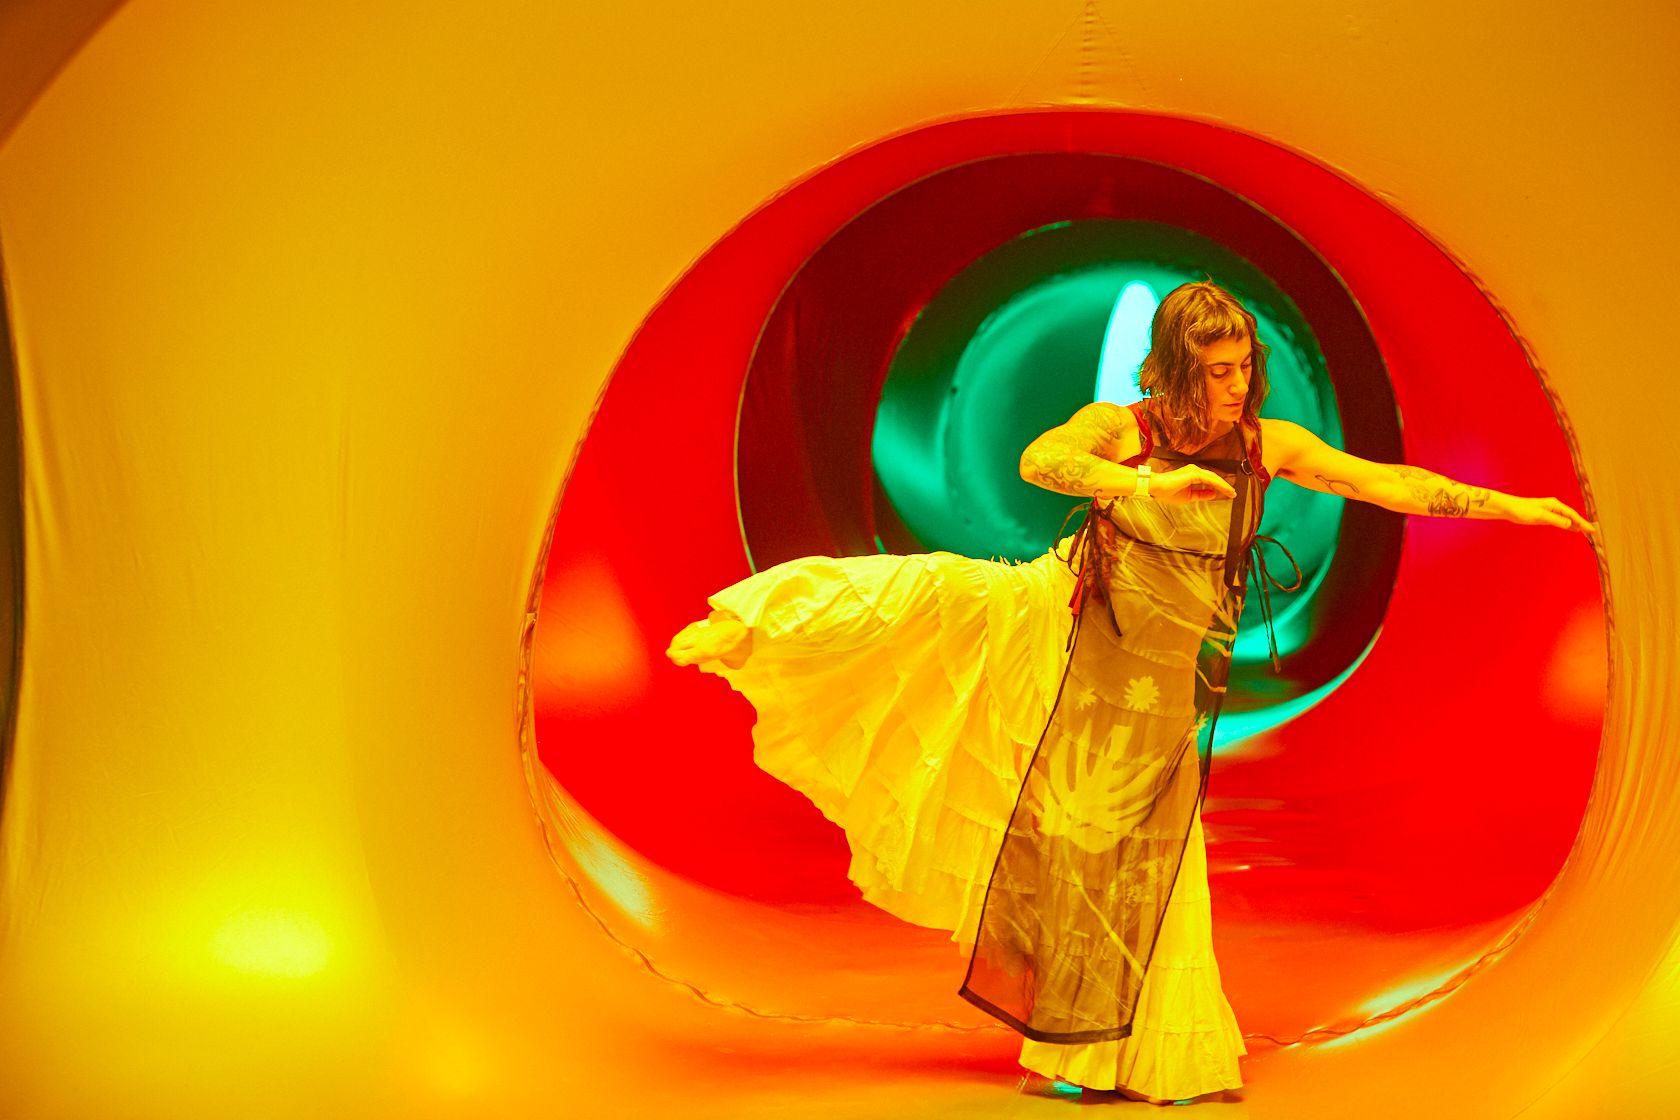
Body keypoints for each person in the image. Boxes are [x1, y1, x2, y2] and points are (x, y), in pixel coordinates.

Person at [665, 280, 1595, 1105]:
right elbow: (1044, 461)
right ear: (1178, 369)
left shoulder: (1270, 442)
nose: (1236, 386)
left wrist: (1512, 506)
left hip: (1158, 678)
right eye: (1218, 369)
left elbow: (1384, 482)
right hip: (1068, 626)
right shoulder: (1127, 425)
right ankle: (754, 628)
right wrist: (1144, 486)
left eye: (1245, 366)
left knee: (1136, 853)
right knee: (936, 600)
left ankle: (1119, 1052)